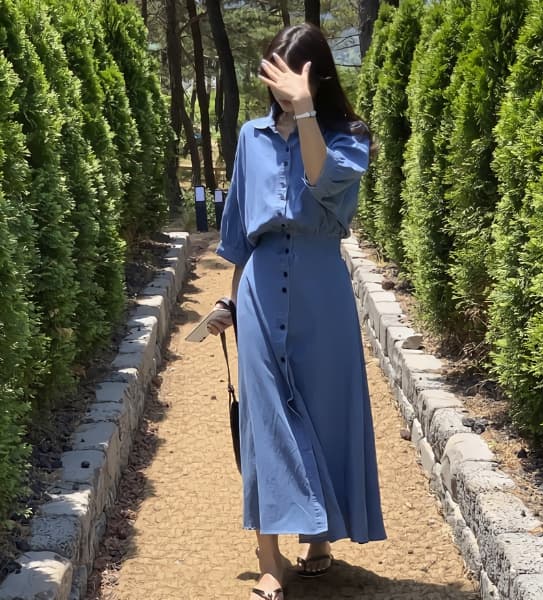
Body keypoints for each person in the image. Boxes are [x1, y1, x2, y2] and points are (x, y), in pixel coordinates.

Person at [207, 22, 386, 600]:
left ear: (316, 75)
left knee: (324, 414)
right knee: (264, 424)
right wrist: (229, 300)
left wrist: (306, 112)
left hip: (321, 294)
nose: (279, 86)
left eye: (290, 75)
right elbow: (240, 232)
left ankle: (318, 537)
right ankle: (268, 559)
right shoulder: (250, 136)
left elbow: (324, 182)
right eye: (272, 74)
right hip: (260, 291)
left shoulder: (350, 137)